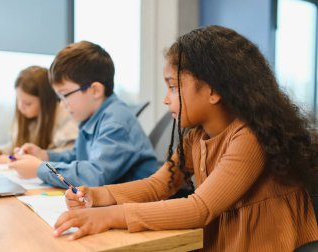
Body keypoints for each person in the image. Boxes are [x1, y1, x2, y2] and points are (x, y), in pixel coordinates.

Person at [54, 26, 318, 251]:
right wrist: (98, 196)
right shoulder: (195, 138)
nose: (166, 99)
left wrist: (110, 216)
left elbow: (199, 208)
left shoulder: (250, 137)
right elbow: (158, 186)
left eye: (173, 87)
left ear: (213, 90)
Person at [8, 41, 158, 187]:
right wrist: (45, 156)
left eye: (65, 95)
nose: (62, 104)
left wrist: (40, 169)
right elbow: (76, 157)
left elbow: (94, 175)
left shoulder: (116, 121)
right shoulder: (92, 118)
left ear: (95, 90)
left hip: (139, 206)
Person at [0, 66, 78, 164]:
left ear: (45, 102)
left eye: (27, 103)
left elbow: (68, 156)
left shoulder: (67, 117)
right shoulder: (26, 117)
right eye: (18, 100)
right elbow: (14, 145)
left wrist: (16, 159)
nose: (20, 107)